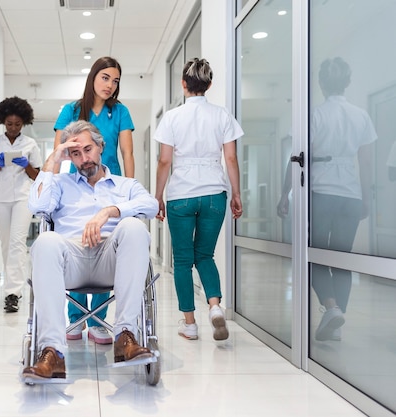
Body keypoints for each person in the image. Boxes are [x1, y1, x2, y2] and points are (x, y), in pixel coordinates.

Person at [22, 120, 157, 380]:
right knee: (46, 241)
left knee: (134, 227)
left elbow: (150, 205)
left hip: (112, 260)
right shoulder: (60, 184)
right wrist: (53, 160)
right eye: (75, 154)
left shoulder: (125, 186)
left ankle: (125, 336)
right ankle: (52, 353)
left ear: (101, 147)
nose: (84, 158)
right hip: (70, 260)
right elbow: (37, 206)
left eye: (88, 149)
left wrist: (110, 211)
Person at [277, 57, 376, 341]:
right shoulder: (361, 116)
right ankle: (335, 319)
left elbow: (296, 158)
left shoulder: (314, 115)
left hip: (320, 192)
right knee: (341, 258)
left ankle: (331, 309)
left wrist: (286, 193)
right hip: (350, 194)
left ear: (321, 84)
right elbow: (366, 163)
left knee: (315, 254)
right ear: (347, 82)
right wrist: (366, 198)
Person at [154, 58, 244, 342]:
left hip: (181, 195)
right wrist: (237, 193)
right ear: (209, 85)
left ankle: (190, 324)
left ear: (183, 85)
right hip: (214, 193)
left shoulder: (171, 117)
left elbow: (164, 161)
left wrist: (158, 197)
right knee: (204, 255)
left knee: (182, 260)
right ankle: (215, 306)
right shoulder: (222, 115)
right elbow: (230, 157)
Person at [52, 56, 136, 345]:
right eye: (105, 78)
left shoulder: (120, 111)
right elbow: (59, 151)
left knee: (104, 241)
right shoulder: (71, 110)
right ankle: (75, 318)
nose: (110, 85)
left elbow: (127, 153)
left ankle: (99, 320)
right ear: (93, 78)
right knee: (76, 238)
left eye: (115, 81)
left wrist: (128, 190)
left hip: (109, 185)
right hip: (77, 185)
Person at [0, 96, 42, 313]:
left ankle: (12, 293)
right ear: (2, 122)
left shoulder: (30, 144)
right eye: (9, 124)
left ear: (24, 123)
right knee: (7, 244)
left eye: (18, 124)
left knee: (17, 242)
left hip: (23, 198)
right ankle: (13, 287)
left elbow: (39, 176)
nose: (14, 128)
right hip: (1, 198)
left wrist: (26, 166)